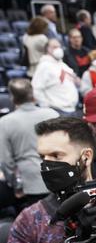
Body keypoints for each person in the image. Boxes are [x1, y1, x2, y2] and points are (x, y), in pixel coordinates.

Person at [0, 79, 58, 212]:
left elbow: (5, 162)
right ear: (33, 95)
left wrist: (17, 186)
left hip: (30, 187)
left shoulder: (4, 122)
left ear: (12, 98)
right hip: (58, 180)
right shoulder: (52, 114)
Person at [32, 38, 80, 115]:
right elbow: (36, 88)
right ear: (47, 49)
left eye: (59, 47)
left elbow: (75, 80)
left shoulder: (62, 65)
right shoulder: (44, 66)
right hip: (57, 111)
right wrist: (46, 108)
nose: (58, 49)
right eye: (54, 47)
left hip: (72, 109)